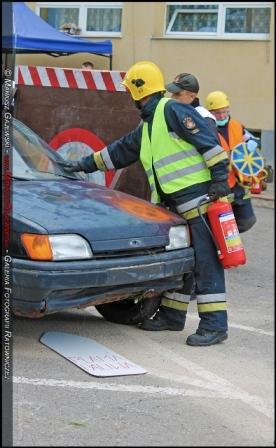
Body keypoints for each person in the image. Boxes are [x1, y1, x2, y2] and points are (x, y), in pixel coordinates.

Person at [59, 60, 231, 346]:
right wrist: (78, 165)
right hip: (174, 205)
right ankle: (173, 317)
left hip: (198, 200)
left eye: (130, 90)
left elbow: (211, 146)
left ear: (138, 91)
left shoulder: (173, 111)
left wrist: (219, 181)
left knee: (206, 262)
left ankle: (215, 326)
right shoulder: (150, 125)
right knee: (183, 263)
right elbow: (118, 153)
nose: (128, 95)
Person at [205, 91, 257, 233]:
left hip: (239, 182)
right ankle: (223, 245)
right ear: (210, 112)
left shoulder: (236, 125)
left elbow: (249, 138)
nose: (222, 116)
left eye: (224, 111)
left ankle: (227, 239)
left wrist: (252, 143)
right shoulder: (206, 130)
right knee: (221, 224)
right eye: (217, 113)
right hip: (221, 183)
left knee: (247, 221)